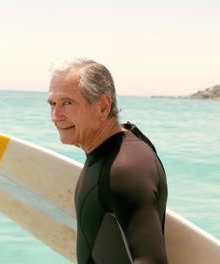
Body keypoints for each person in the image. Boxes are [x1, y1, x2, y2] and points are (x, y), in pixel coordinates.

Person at [47, 58, 168, 264]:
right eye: (53, 103)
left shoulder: (125, 169)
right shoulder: (114, 153)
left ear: (103, 107)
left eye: (67, 103)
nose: (55, 116)